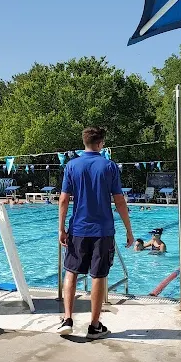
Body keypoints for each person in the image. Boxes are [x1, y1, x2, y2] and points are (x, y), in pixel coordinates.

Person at [57, 127, 134, 339]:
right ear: (100, 144)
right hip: (103, 231)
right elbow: (119, 201)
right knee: (98, 275)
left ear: (85, 143)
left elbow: (63, 200)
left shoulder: (72, 165)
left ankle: (67, 319)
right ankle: (94, 325)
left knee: (71, 271)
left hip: (78, 229)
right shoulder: (109, 166)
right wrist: (129, 230)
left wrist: (61, 228)